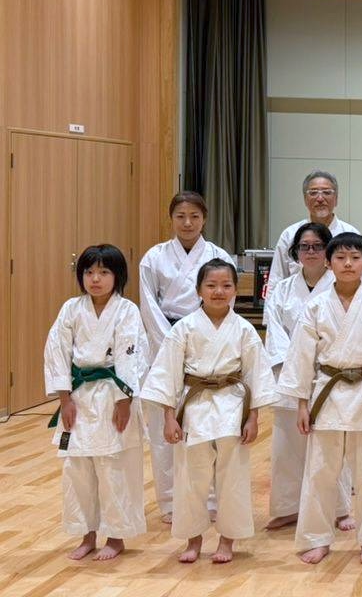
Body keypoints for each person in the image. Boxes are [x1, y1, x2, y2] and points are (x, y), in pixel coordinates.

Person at [140, 258, 274, 564]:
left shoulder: (243, 329)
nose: (218, 291)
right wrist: (168, 416)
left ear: (235, 290)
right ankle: (193, 539)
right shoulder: (184, 328)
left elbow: (256, 374)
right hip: (194, 406)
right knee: (190, 476)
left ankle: (227, 540)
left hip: (232, 405)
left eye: (226, 285)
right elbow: (167, 373)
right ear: (199, 290)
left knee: (232, 476)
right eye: (211, 285)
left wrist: (254, 417)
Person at [279, 233, 362, 565]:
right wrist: (302, 404)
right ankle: (317, 538)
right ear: (329, 263)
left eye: (355, 258)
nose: (348, 264)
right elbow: (301, 356)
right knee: (320, 471)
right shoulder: (315, 306)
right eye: (341, 258)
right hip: (326, 393)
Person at [45, 245, 148, 561]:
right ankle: (86, 534)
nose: (95, 279)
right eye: (89, 272)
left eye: (104, 272)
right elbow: (57, 351)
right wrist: (64, 398)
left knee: (115, 467)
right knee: (77, 468)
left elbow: (132, 356)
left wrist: (124, 400)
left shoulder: (127, 311)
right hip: (79, 396)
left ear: (118, 276)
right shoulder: (71, 309)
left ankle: (116, 536)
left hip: (114, 394)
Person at [137, 191, 233, 523]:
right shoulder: (154, 257)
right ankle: (169, 502)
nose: (188, 223)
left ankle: (210, 500)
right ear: (171, 219)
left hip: (206, 341)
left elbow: (224, 300)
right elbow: (148, 304)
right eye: (181, 216)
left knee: (207, 428)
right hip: (163, 340)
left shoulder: (218, 256)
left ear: (204, 218)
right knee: (163, 429)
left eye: (194, 216)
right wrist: (172, 343)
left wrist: (200, 338)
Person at [263, 223, 353, 532]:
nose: (311, 251)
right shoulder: (282, 289)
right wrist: (296, 364)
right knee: (287, 445)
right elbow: (274, 331)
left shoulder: (341, 287)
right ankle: (288, 507)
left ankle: (339, 509)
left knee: (331, 444)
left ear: (328, 252)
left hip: (329, 373)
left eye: (317, 246)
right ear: (295, 252)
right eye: (304, 246)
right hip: (290, 373)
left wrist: (319, 363)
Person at [267, 170, 358, 296]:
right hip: (296, 306)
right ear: (305, 199)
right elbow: (275, 280)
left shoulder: (351, 234)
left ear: (336, 199)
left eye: (327, 192)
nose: (320, 199)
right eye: (313, 193)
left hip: (339, 305)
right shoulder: (289, 235)